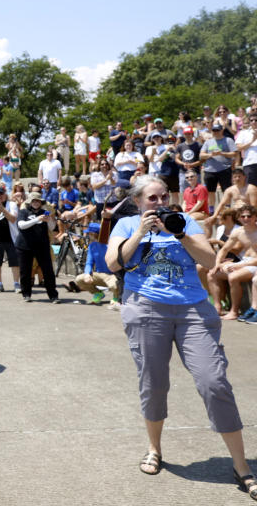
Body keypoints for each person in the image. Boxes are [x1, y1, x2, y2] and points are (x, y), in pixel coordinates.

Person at [106, 175, 256, 498]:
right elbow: (113, 261)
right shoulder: (128, 224)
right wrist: (142, 233)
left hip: (192, 311)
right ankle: (154, 448)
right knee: (154, 383)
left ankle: (242, 465)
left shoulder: (184, 220)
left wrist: (178, 232)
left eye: (163, 198)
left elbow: (207, 259)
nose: (160, 204)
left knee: (213, 381)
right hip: (146, 309)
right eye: (152, 199)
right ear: (138, 202)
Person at [207, 204, 257, 321]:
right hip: (245, 261)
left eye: (249, 216)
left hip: (253, 264)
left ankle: (234, 311)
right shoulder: (238, 232)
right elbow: (224, 250)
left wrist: (238, 265)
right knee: (212, 274)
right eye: (242, 216)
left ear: (255, 217)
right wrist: (217, 264)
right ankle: (217, 307)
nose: (245, 219)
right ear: (238, 218)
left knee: (233, 277)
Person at [16, 192, 59, 302]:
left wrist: (49, 219)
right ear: (30, 202)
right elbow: (21, 225)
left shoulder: (45, 212)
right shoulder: (23, 212)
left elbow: (53, 227)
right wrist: (37, 219)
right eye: (34, 201)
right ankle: (26, 294)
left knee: (48, 271)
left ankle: (53, 295)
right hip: (25, 246)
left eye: (38, 201)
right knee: (25, 271)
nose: (36, 203)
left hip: (42, 246)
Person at [65, 223, 117, 304]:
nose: (87, 235)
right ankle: (98, 293)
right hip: (99, 275)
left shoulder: (111, 244)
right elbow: (89, 262)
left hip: (112, 275)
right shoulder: (92, 245)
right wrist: (87, 274)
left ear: (94, 234)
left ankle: (117, 297)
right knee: (79, 279)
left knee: (114, 285)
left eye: (89, 233)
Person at [200, 122, 238, 209]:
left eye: (217, 130)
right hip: (210, 170)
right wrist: (211, 155)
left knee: (226, 191)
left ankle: (227, 209)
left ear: (222, 130)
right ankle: (212, 210)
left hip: (224, 169)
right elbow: (201, 155)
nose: (216, 132)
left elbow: (234, 154)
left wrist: (221, 153)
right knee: (210, 191)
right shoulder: (208, 142)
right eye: (214, 130)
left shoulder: (228, 140)